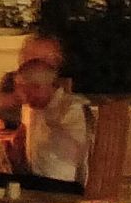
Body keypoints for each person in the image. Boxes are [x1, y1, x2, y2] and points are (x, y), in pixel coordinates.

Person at [6, 56, 91, 191]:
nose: (22, 95)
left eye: (25, 90)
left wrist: (52, 122)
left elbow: (76, 153)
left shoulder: (71, 108)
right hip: (36, 178)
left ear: (38, 87)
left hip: (63, 185)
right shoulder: (31, 107)